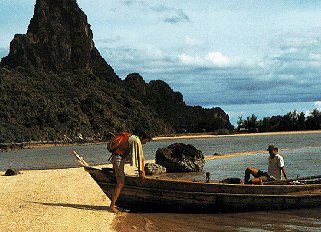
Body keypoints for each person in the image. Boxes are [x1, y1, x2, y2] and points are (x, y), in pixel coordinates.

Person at [109, 131, 152, 213]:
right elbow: (140, 157)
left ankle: (115, 170)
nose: (146, 143)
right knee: (121, 182)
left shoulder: (132, 137)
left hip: (118, 157)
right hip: (118, 158)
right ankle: (112, 206)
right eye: (146, 140)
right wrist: (141, 173)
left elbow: (135, 156)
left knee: (120, 177)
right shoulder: (136, 140)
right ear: (143, 138)